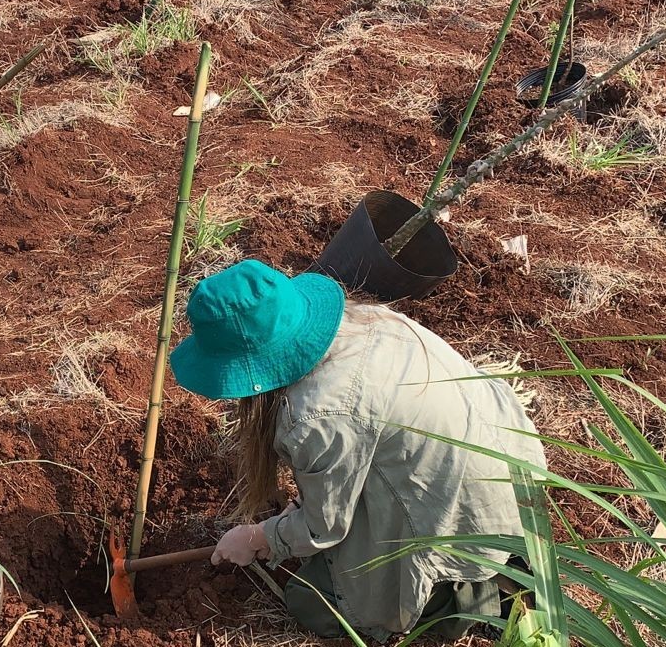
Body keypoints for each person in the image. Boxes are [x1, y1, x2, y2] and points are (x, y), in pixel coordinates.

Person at [170, 259, 547, 641]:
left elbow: (324, 528)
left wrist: (257, 538)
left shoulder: (317, 415)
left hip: (471, 519)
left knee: (313, 602)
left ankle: (469, 595)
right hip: (511, 468)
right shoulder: (369, 322)